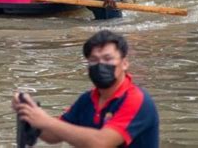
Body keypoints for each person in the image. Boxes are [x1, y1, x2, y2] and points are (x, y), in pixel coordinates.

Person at [12, 30, 159, 148]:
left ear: (124, 63)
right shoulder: (87, 100)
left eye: (108, 59)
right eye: (94, 60)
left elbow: (101, 142)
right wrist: (30, 114)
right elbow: (54, 136)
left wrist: (45, 121)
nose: (101, 65)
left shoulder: (136, 100)